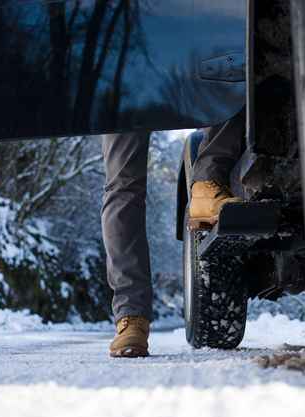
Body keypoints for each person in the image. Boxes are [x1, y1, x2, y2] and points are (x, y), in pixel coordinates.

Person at [103, 109, 245, 357]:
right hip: (129, 78)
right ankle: (131, 318)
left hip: (177, 73)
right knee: (123, 185)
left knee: (235, 82)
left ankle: (207, 183)